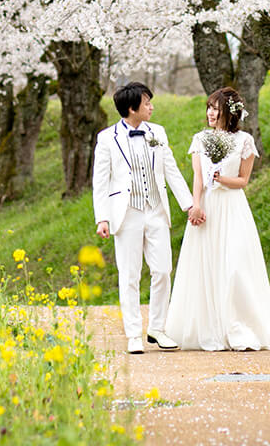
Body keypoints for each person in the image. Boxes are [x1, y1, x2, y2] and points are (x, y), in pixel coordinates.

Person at [165, 87, 270, 351]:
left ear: (229, 111)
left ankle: (238, 326)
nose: (210, 113)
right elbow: (197, 178)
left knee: (235, 264)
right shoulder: (200, 139)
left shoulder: (244, 141)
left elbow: (243, 180)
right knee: (206, 263)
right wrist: (196, 206)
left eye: (215, 108)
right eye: (208, 108)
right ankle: (209, 328)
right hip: (207, 208)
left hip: (232, 207)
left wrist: (222, 178)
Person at [93, 81, 198, 354]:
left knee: (163, 270)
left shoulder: (158, 132)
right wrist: (102, 218)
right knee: (129, 275)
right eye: (147, 103)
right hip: (126, 214)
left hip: (155, 210)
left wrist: (188, 204)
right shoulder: (107, 138)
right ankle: (132, 335)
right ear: (131, 108)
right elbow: (100, 181)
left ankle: (158, 328)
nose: (151, 107)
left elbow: (171, 170)